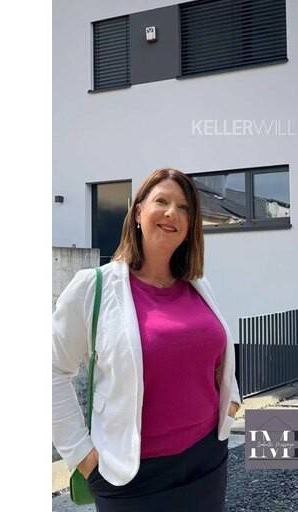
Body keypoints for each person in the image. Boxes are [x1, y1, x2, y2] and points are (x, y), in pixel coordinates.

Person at [53, 168, 243, 511]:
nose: (172, 213)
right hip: (133, 477)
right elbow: (52, 370)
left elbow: (216, 355)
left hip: (206, 460)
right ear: (138, 211)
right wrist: (81, 455)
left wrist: (231, 402)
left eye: (184, 208)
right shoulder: (94, 287)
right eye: (162, 201)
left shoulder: (199, 286)